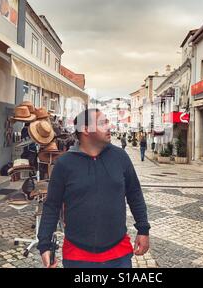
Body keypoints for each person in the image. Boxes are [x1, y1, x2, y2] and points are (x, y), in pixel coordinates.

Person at [37, 109, 150, 268]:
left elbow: (135, 195)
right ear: (85, 129)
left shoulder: (120, 157)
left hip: (118, 254)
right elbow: (52, 206)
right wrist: (44, 244)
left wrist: (143, 229)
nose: (109, 126)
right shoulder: (64, 164)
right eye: (103, 123)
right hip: (77, 256)